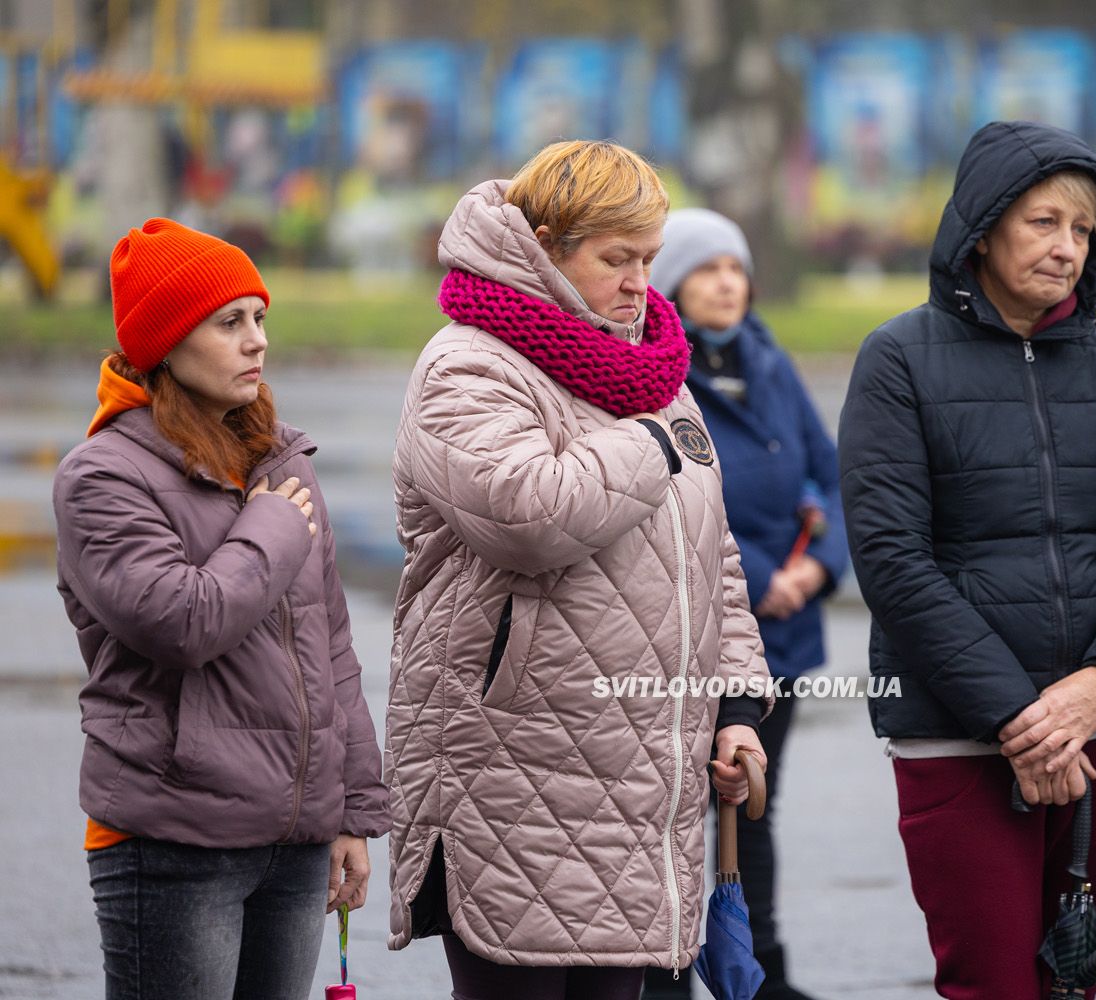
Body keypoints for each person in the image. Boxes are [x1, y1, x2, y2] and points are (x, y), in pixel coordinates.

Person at [385, 140, 774, 1000]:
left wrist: (737, 706)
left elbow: (710, 557)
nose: (642, 282)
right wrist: (647, 442)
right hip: (511, 777)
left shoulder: (650, 368)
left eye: (649, 258)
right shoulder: (468, 364)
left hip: (640, 783)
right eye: (616, 259)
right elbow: (531, 515)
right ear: (546, 247)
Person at [838, 121, 1096, 999]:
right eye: (1043, 223)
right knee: (994, 983)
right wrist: (1020, 717)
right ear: (983, 227)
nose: (1067, 248)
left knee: (1075, 982)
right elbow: (892, 560)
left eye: (1083, 231)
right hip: (958, 735)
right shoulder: (898, 360)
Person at [53, 218, 389, 999]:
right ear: (166, 343)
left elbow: (331, 648)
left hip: (296, 843)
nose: (257, 342)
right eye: (229, 322)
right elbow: (182, 623)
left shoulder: (279, 459)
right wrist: (271, 526)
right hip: (174, 840)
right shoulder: (101, 476)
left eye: (260, 319)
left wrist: (351, 813)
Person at [641, 208, 848, 1000]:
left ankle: (759, 975)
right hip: (695, 637)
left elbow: (832, 477)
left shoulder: (768, 358)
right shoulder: (658, 372)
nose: (727, 282)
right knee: (670, 815)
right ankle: (664, 977)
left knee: (754, 808)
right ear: (671, 285)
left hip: (786, 638)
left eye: (736, 267)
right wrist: (762, 577)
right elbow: (678, 494)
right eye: (706, 268)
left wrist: (819, 570)